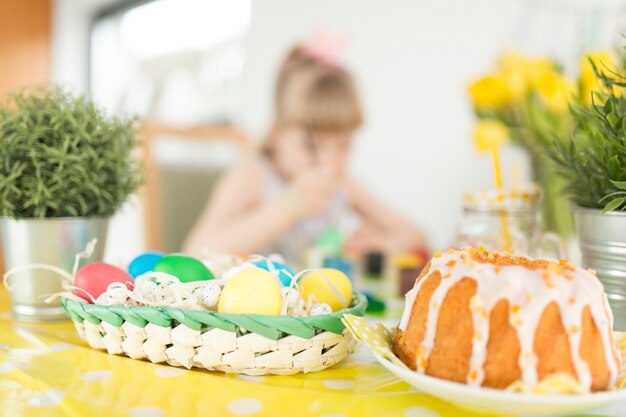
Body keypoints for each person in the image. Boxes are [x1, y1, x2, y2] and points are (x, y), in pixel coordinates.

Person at [183, 44, 427, 264]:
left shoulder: (343, 185)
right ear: (277, 134)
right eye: (312, 145)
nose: (330, 161)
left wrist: (379, 247)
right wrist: (288, 208)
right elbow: (194, 252)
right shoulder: (253, 176)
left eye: (343, 145)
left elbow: (417, 237)